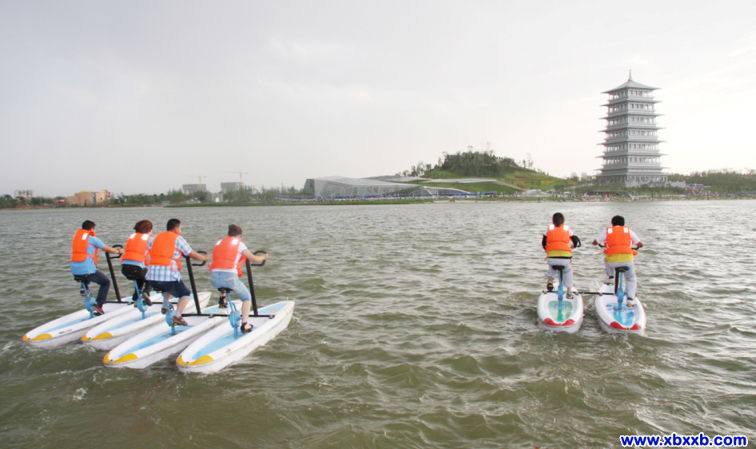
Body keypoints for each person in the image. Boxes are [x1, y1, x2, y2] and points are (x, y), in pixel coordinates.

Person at [145, 218, 209, 325]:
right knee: (185, 294)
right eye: (180, 228)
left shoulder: (157, 237)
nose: (181, 230)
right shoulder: (177, 239)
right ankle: (178, 316)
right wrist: (204, 258)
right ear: (175, 229)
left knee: (167, 286)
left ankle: (165, 306)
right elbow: (191, 254)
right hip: (167, 277)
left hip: (151, 278)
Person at [209, 224, 269, 333]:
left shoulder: (219, 243)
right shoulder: (238, 243)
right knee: (246, 298)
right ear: (239, 236)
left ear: (228, 234)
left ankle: (222, 299)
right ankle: (245, 324)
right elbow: (254, 258)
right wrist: (263, 257)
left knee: (222, 277)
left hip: (213, 279)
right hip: (229, 278)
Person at [70, 220, 124, 315]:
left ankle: (84, 288)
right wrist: (119, 251)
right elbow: (108, 249)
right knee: (106, 282)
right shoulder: (92, 239)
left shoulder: (77, 239)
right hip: (86, 270)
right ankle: (99, 305)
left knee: (87, 273)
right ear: (92, 229)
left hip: (75, 269)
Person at [592, 215, 644, 304]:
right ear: (623, 224)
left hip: (613, 262)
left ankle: (611, 277)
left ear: (612, 224)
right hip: (628, 260)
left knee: (606, 259)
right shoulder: (629, 231)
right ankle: (631, 299)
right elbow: (640, 244)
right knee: (631, 278)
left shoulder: (608, 232)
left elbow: (595, 242)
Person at [542, 212, 580, 299]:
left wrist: (546, 249)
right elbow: (575, 241)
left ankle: (551, 278)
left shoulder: (549, 229)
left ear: (553, 221)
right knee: (568, 270)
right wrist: (572, 246)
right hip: (565, 258)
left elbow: (543, 242)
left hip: (552, 257)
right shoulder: (567, 229)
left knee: (552, 266)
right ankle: (569, 291)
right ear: (563, 221)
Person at [121, 220, 155, 302]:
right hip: (137, 267)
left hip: (125, 268)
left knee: (140, 278)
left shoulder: (132, 237)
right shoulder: (149, 239)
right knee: (152, 277)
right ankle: (146, 293)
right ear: (149, 230)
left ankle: (136, 297)